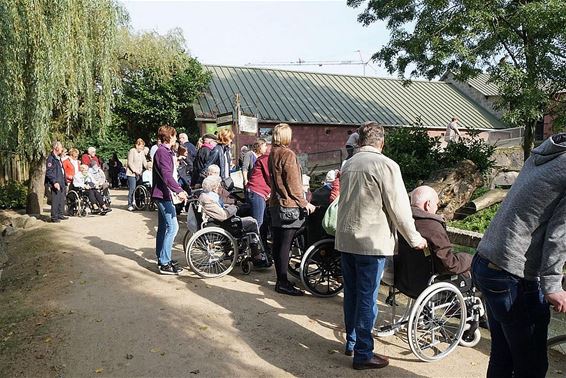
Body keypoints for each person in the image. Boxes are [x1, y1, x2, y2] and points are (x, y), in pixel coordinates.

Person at [471, 133, 566, 378]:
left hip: (486, 260)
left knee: (503, 355)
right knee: (531, 365)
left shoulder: (549, 153)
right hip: (510, 272)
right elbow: (559, 232)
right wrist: (553, 284)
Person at [335, 121, 427, 370]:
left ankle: (352, 343)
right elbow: (400, 208)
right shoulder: (386, 165)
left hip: (345, 238)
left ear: (361, 140)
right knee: (367, 298)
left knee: (352, 294)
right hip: (371, 242)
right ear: (382, 142)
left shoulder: (349, 163)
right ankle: (364, 354)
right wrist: (415, 239)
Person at [396, 186, 472, 297]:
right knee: (471, 268)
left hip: (404, 281)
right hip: (427, 284)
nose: (436, 209)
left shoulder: (402, 222)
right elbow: (450, 265)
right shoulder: (432, 227)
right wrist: (469, 259)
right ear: (428, 204)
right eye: (436, 204)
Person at [268, 123, 316, 296]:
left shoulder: (272, 153)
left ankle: (281, 278)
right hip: (288, 205)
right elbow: (293, 184)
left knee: (279, 243)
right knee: (285, 244)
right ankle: (282, 281)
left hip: (275, 203)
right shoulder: (287, 154)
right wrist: (305, 203)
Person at [199, 176, 270, 267]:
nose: (221, 187)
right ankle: (255, 254)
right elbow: (223, 215)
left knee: (246, 208)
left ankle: (242, 250)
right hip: (222, 224)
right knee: (252, 223)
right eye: (219, 186)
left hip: (219, 221)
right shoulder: (209, 199)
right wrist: (234, 208)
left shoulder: (207, 196)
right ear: (214, 187)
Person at [151, 125, 188, 275]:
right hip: (163, 194)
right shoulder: (163, 152)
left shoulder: (164, 151)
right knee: (173, 227)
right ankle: (165, 262)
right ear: (170, 137)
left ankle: (162, 258)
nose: (176, 138)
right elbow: (167, 175)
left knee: (163, 227)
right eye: (174, 135)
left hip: (161, 193)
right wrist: (179, 190)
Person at [245, 139, 271, 251]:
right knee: (258, 223)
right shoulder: (264, 159)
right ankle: (256, 251)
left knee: (264, 221)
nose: (266, 148)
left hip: (257, 191)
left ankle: (262, 247)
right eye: (265, 146)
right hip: (257, 192)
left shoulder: (262, 158)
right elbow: (270, 178)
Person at [45, 141, 67, 222]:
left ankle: (60, 214)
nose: (62, 149)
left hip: (61, 181)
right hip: (56, 182)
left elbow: (61, 170)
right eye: (61, 147)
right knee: (56, 200)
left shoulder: (58, 158)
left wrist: (64, 181)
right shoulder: (51, 158)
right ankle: (54, 217)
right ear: (56, 148)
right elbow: (49, 172)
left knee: (61, 199)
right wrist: (54, 182)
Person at [126, 138, 148, 211]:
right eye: (141, 146)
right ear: (137, 145)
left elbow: (144, 162)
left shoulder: (142, 153)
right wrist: (135, 170)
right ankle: (130, 204)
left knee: (139, 189)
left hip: (139, 173)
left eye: (143, 146)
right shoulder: (132, 151)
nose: (142, 148)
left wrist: (149, 167)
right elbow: (130, 162)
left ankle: (138, 204)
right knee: (132, 189)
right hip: (131, 174)